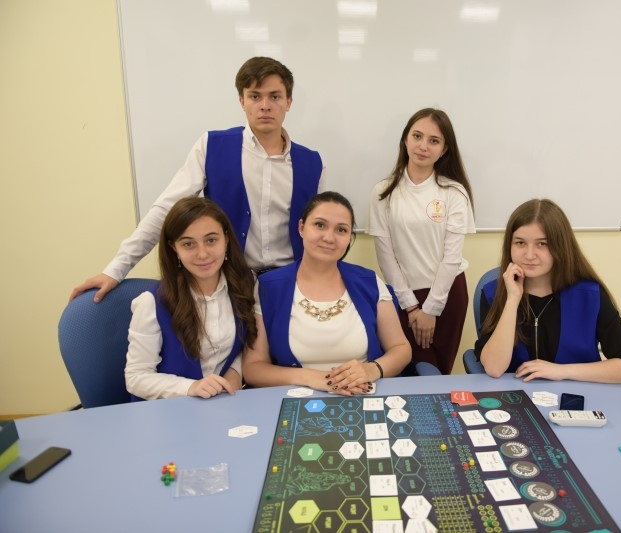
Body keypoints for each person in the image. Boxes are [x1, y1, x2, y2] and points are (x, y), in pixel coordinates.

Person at [70, 56, 325, 303]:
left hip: (292, 285)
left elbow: (321, 230)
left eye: (275, 96)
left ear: (288, 102)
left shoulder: (312, 163)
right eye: (255, 96)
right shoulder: (212, 146)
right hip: (227, 285)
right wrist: (116, 269)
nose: (265, 105)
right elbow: (165, 209)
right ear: (242, 101)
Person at [243, 191, 411, 395]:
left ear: (349, 237)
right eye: (320, 225)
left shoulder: (369, 282)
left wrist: (371, 370)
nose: (329, 238)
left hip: (363, 396)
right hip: (297, 400)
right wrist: (311, 378)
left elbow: (401, 348)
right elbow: (253, 368)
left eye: (341, 230)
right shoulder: (269, 287)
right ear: (301, 227)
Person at [475, 199, 621, 384]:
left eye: (542, 244)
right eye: (520, 243)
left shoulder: (589, 296)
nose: (529, 255)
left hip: (577, 395)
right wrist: (512, 300)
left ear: (560, 246)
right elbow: (494, 368)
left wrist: (561, 371)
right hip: (515, 396)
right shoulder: (493, 293)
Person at [367, 108, 475, 374]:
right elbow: (385, 256)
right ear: (405, 139)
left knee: (436, 374)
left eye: (434, 141)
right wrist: (412, 306)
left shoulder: (454, 192)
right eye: (417, 136)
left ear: (444, 149)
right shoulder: (383, 192)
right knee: (407, 372)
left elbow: (451, 258)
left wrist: (431, 309)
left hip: (447, 295)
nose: (423, 146)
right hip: (404, 296)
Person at [125, 197, 258, 400]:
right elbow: (135, 377)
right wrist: (190, 387)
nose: (202, 254)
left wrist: (235, 370)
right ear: (174, 248)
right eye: (188, 244)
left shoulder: (246, 283)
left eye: (211, 240)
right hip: (171, 408)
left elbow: (247, 340)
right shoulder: (151, 303)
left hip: (224, 403)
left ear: (226, 239)